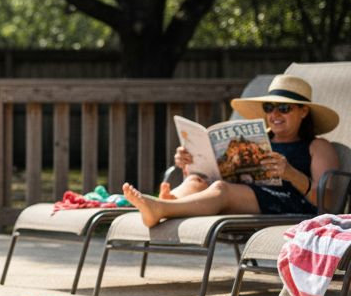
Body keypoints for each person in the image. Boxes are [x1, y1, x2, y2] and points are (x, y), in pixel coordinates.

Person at [123, 76, 340, 227]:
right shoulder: (254, 141)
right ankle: (170, 202)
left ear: (303, 111)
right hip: (242, 194)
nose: (274, 114)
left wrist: (291, 174)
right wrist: (191, 162)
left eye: (284, 108)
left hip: (289, 205)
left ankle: (163, 208)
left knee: (222, 189)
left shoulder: (317, 146)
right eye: (269, 107)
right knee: (196, 180)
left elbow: (328, 202)